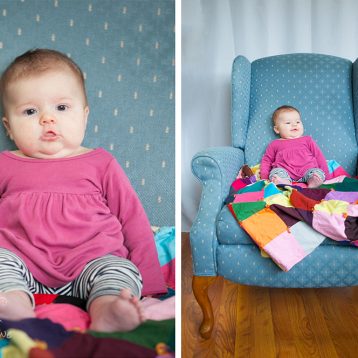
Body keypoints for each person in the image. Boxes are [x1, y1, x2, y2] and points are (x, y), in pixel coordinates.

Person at [0, 49, 166, 332]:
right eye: (30, 111)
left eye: (61, 108)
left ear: (85, 116)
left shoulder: (100, 163)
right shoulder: (6, 164)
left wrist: (150, 282)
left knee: (118, 270)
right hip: (21, 261)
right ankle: (13, 305)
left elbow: (132, 219)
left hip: (92, 259)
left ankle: (109, 310)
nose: (47, 120)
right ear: (9, 128)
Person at [260, 105, 329, 188]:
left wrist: (326, 175)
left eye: (298, 122)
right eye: (288, 123)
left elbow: (319, 156)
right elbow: (267, 160)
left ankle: (314, 181)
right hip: (285, 172)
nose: (294, 125)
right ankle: (283, 182)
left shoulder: (307, 140)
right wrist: (264, 177)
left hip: (308, 170)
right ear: (277, 129)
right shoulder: (275, 144)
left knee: (316, 172)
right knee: (276, 172)